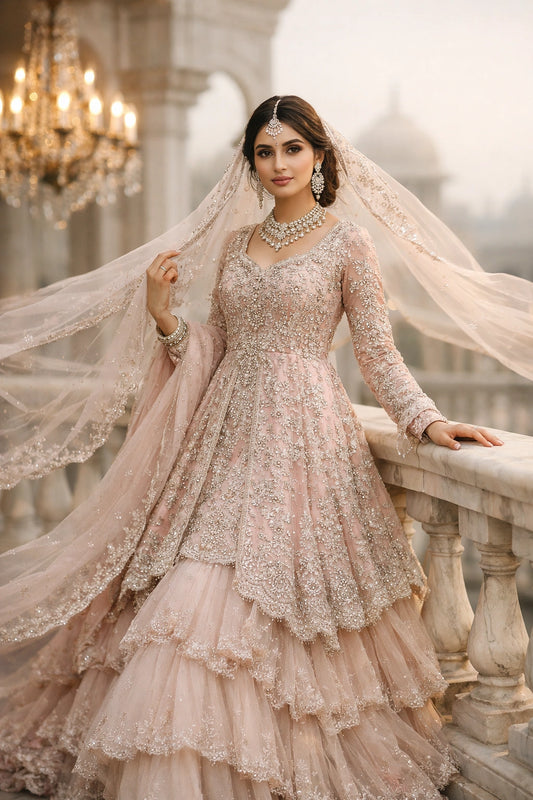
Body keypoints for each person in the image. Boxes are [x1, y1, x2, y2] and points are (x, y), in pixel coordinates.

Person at [0, 95, 523, 800]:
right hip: (220, 440)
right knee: (189, 596)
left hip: (305, 443)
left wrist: (426, 422)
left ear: (319, 157)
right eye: (263, 152)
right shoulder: (238, 243)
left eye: (291, 149)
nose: (277, 164)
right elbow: (212, 349)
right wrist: (163, 319)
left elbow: (376, 353)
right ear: (251, 163)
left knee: (282, 611)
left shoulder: (347, 243)